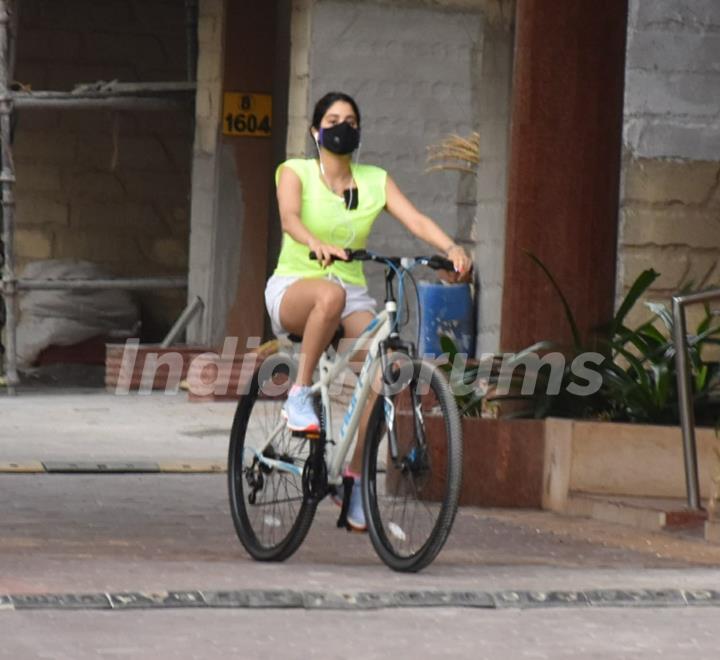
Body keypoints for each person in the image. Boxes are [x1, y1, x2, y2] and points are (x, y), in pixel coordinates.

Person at [265, 91, 473, 530]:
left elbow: (415, 221)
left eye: (351, 119)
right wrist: (314, 242)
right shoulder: (296, 171)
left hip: (349, 295)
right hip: (295, 288)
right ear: (315, 130)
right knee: (329, 295)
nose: (343, 126)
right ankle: (299, 394)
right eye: (334, 118)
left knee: (388, 367)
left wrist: (451, 249)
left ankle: (355, 479)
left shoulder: (374, 179)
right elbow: (288, 218)